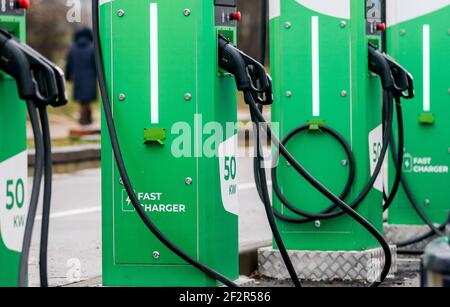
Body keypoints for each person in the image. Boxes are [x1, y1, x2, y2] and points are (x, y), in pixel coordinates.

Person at [66, 28, 97, 126]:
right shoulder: (93, 47)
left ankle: (85, 118)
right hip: (90, 78)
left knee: (82, 100)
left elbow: (69, 64)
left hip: (77, 78)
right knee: (87, 100)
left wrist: (67, 77)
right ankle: (86, 118)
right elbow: (97, 64)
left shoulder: (73, 48)